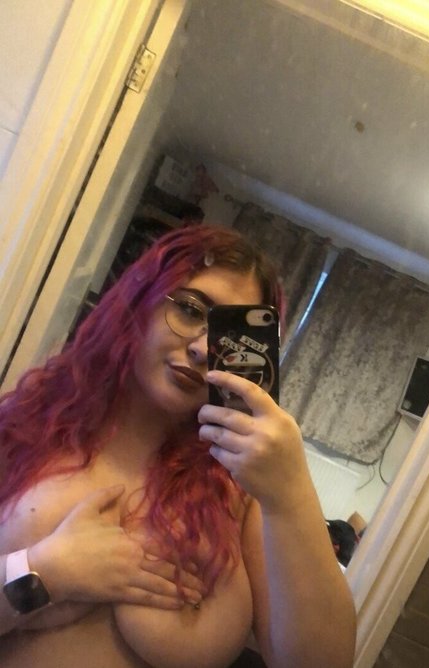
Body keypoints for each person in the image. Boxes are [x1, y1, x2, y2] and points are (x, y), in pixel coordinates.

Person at [0, 224, 356, 667]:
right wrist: (44, 572)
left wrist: (291, 493)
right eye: (189, 309)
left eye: (228, 336)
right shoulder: (25, 427)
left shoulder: (242, 490)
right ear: (139, 301)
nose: (204, 348)